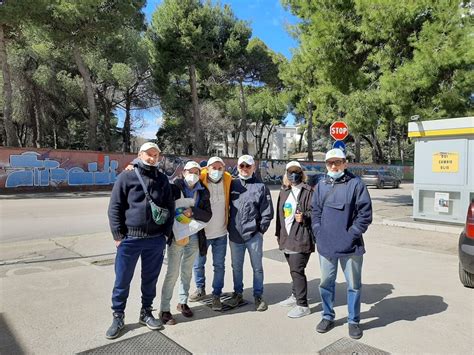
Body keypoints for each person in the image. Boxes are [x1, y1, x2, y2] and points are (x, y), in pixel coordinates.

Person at [106, 142, 174, 339]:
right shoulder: (126, 177)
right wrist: (118, 235)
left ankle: (146, 312)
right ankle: (118, 316)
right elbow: (115, 207)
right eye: (149, 154)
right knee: (122, 280)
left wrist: (165, 234)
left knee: (150, 279)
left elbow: (169, 206)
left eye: (156, 155)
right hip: (130, 240)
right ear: (140, 154)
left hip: (155, 240)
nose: (153, 158)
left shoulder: (162, 179)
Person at [311, 148, 372, 339]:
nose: (333, 166)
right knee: (325, 283)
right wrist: (318, 231)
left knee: (354, 285)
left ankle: (353, 321)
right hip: (326, 245)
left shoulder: (356, 184)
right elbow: (315, 211)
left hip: (351, 246)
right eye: (330, 163)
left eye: (337, 162)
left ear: (345, 163)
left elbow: (365, 214)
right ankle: (327, 316)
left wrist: (352, 234)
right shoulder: (321, 185)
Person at [159, 160, 212, 325]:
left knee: (187, 272)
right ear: (183, 172)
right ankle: (164, 309)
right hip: (176, 236)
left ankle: (183, 302)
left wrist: (193, 211)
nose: (193, 175)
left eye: (196, 172)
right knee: (172, 273)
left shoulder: (203, 192)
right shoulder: (174, 188)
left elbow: (208, 215)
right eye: (190, 171)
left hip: (194, 236)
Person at [225, 154, 274, 311]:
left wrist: (260, 231)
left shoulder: (261, 187)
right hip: (234, 236)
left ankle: (258, 295)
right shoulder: (232, 185)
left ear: (253, 167)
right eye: (242, 166)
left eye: (248, 166)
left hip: (253, 236)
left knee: (257, 268)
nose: (245, 169)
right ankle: (238, 294)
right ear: (237, 167)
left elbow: (267, 212)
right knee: (236, 267)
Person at [188, 157, 233, 311]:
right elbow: (182, 180)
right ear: (207, 168)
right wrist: (132, 167)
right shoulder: (200, 178)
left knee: (219, 266)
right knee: (198, 264)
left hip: (221, 232)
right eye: (214, 168)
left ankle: (216, 295)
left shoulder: (228, 179)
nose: (217, 171)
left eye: (220, 168)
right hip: (202, 232)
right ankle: (200, 289)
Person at [275, 161, 314, 318]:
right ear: (286, 174)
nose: (293, 174)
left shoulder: (309, 191)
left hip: (302, 236)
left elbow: (317, 213)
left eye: (296, 171)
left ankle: (303, 305)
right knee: (293, 269)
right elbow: (280, 216)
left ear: (302, 173)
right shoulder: (284, 191)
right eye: (290, 171)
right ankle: (295, 296)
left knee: (297, 270)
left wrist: (304, 216)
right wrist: (278, 234)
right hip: (286, 236)